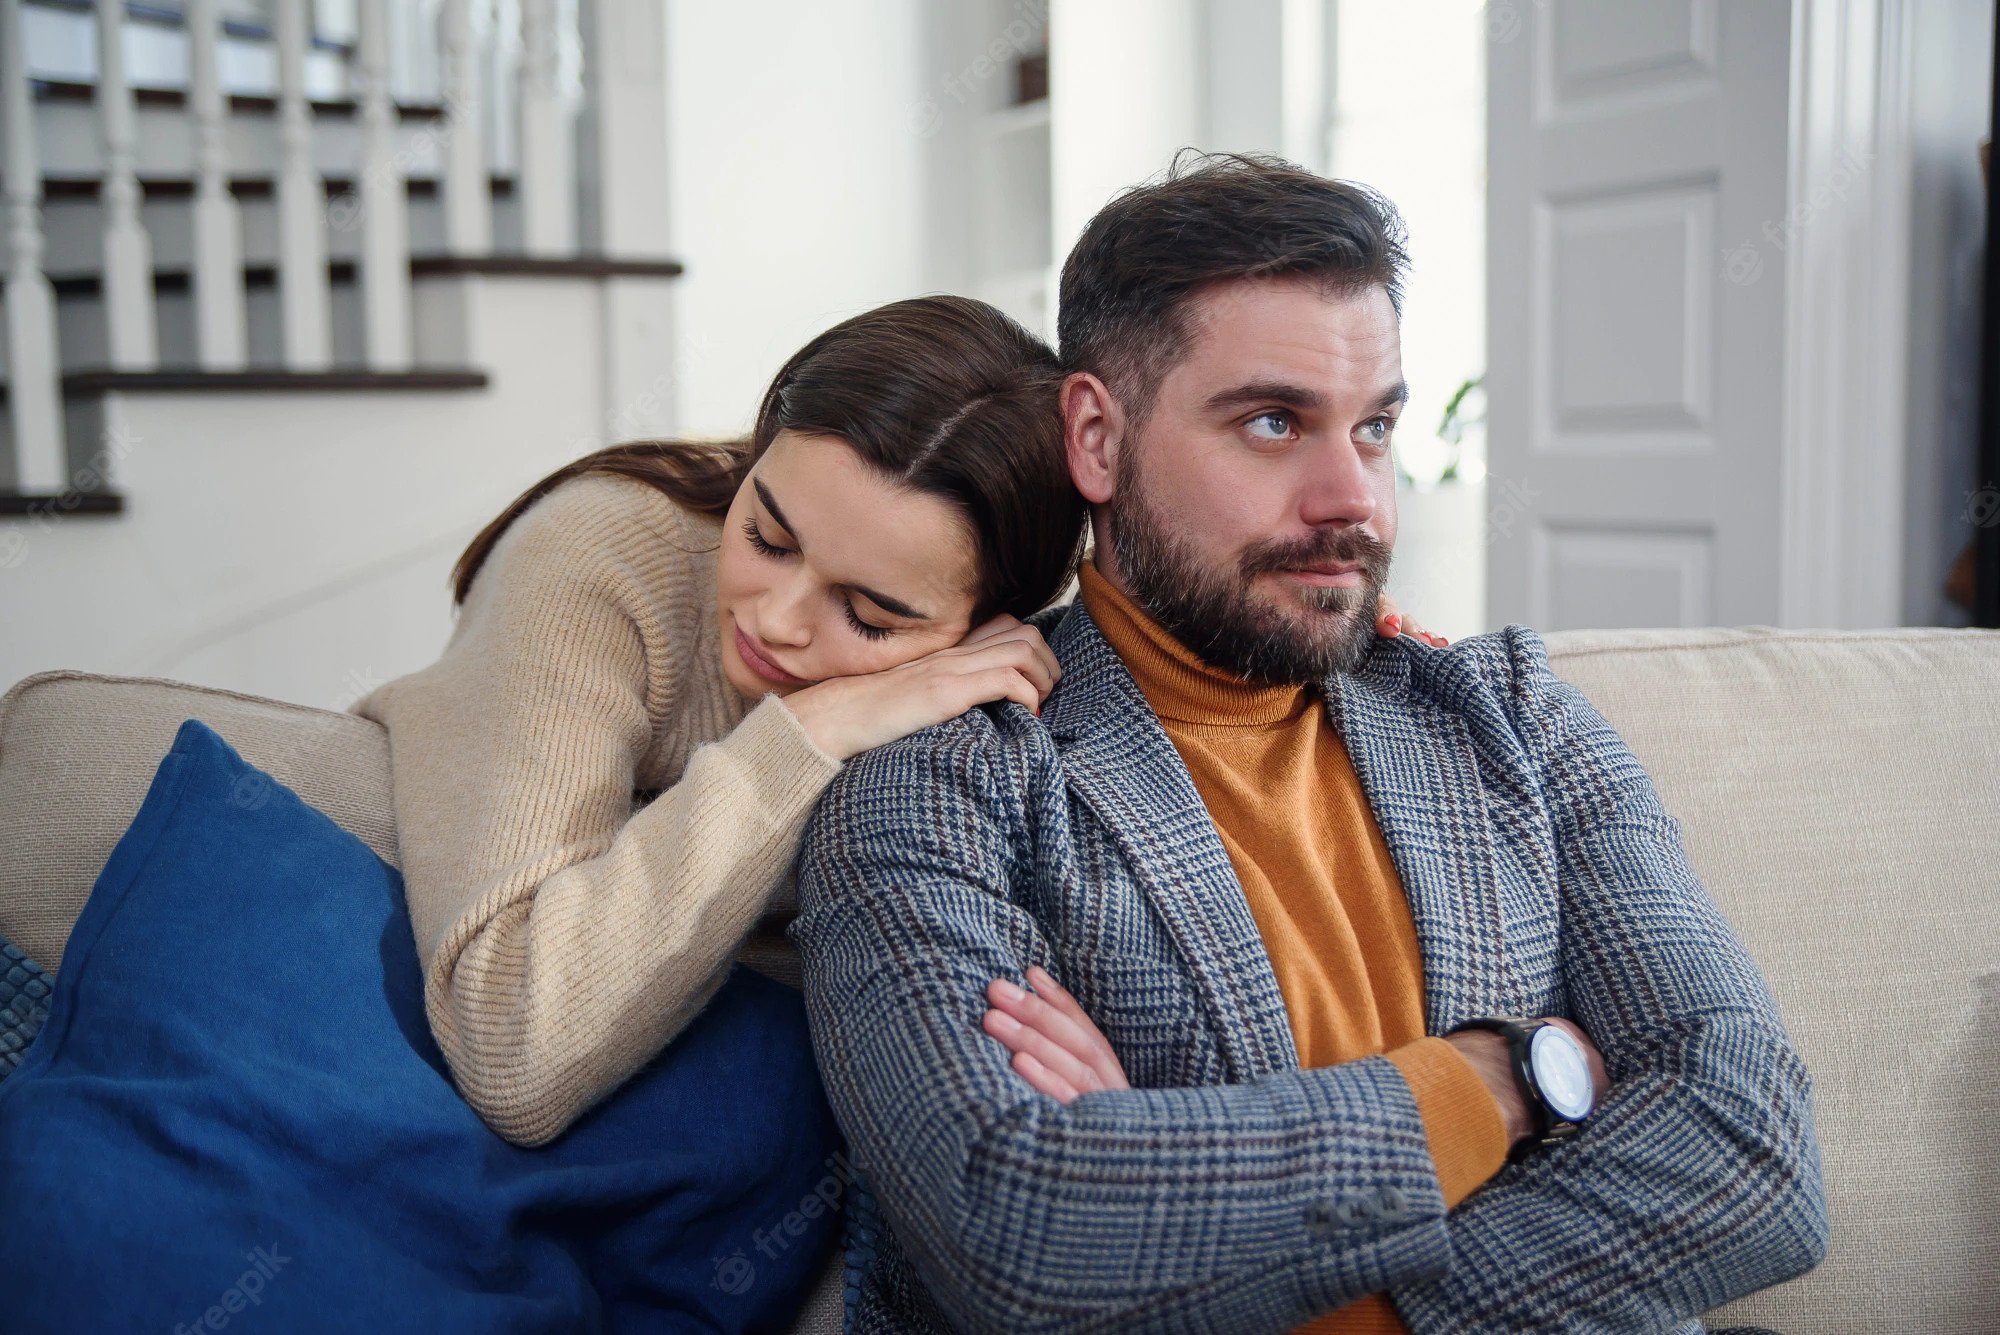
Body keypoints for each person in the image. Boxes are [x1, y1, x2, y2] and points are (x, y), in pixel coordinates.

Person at [787, 153, 1830, 1333]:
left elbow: (1753, 1155)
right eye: (1273, 423)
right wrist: (1496, 1083)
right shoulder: (945, 782)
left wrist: (1202, 1235)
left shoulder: (1514, 718)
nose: (1355, 501)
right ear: (1094, 437)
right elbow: (1018, 1228)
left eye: (1374, 426)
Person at [350, 292, 1436, 1153]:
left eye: (869, 615)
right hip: (384, 993)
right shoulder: (600, 559)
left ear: (987, 625)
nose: (774, 620)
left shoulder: (985, 694)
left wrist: (1338, 646)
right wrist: (818, 725)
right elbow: (514, 1051)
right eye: (767, 534)